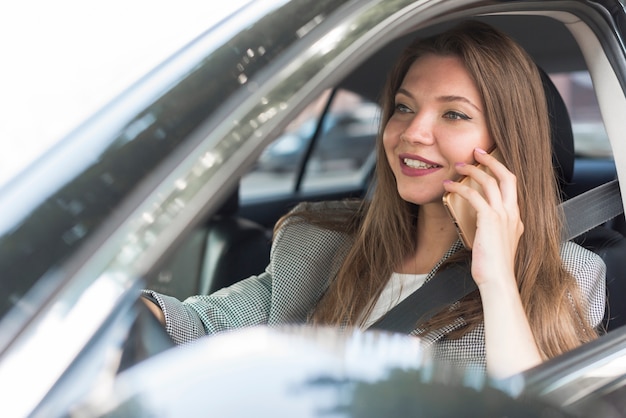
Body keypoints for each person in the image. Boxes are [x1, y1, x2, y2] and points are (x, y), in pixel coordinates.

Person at [142, 20, 606, 378]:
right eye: (404, 107)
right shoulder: (316, 242)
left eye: (453, 114)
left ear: (507, 145)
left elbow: (532, 401)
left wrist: (496, 277)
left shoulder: (567, 275)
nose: (413, 132)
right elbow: (199, 327)